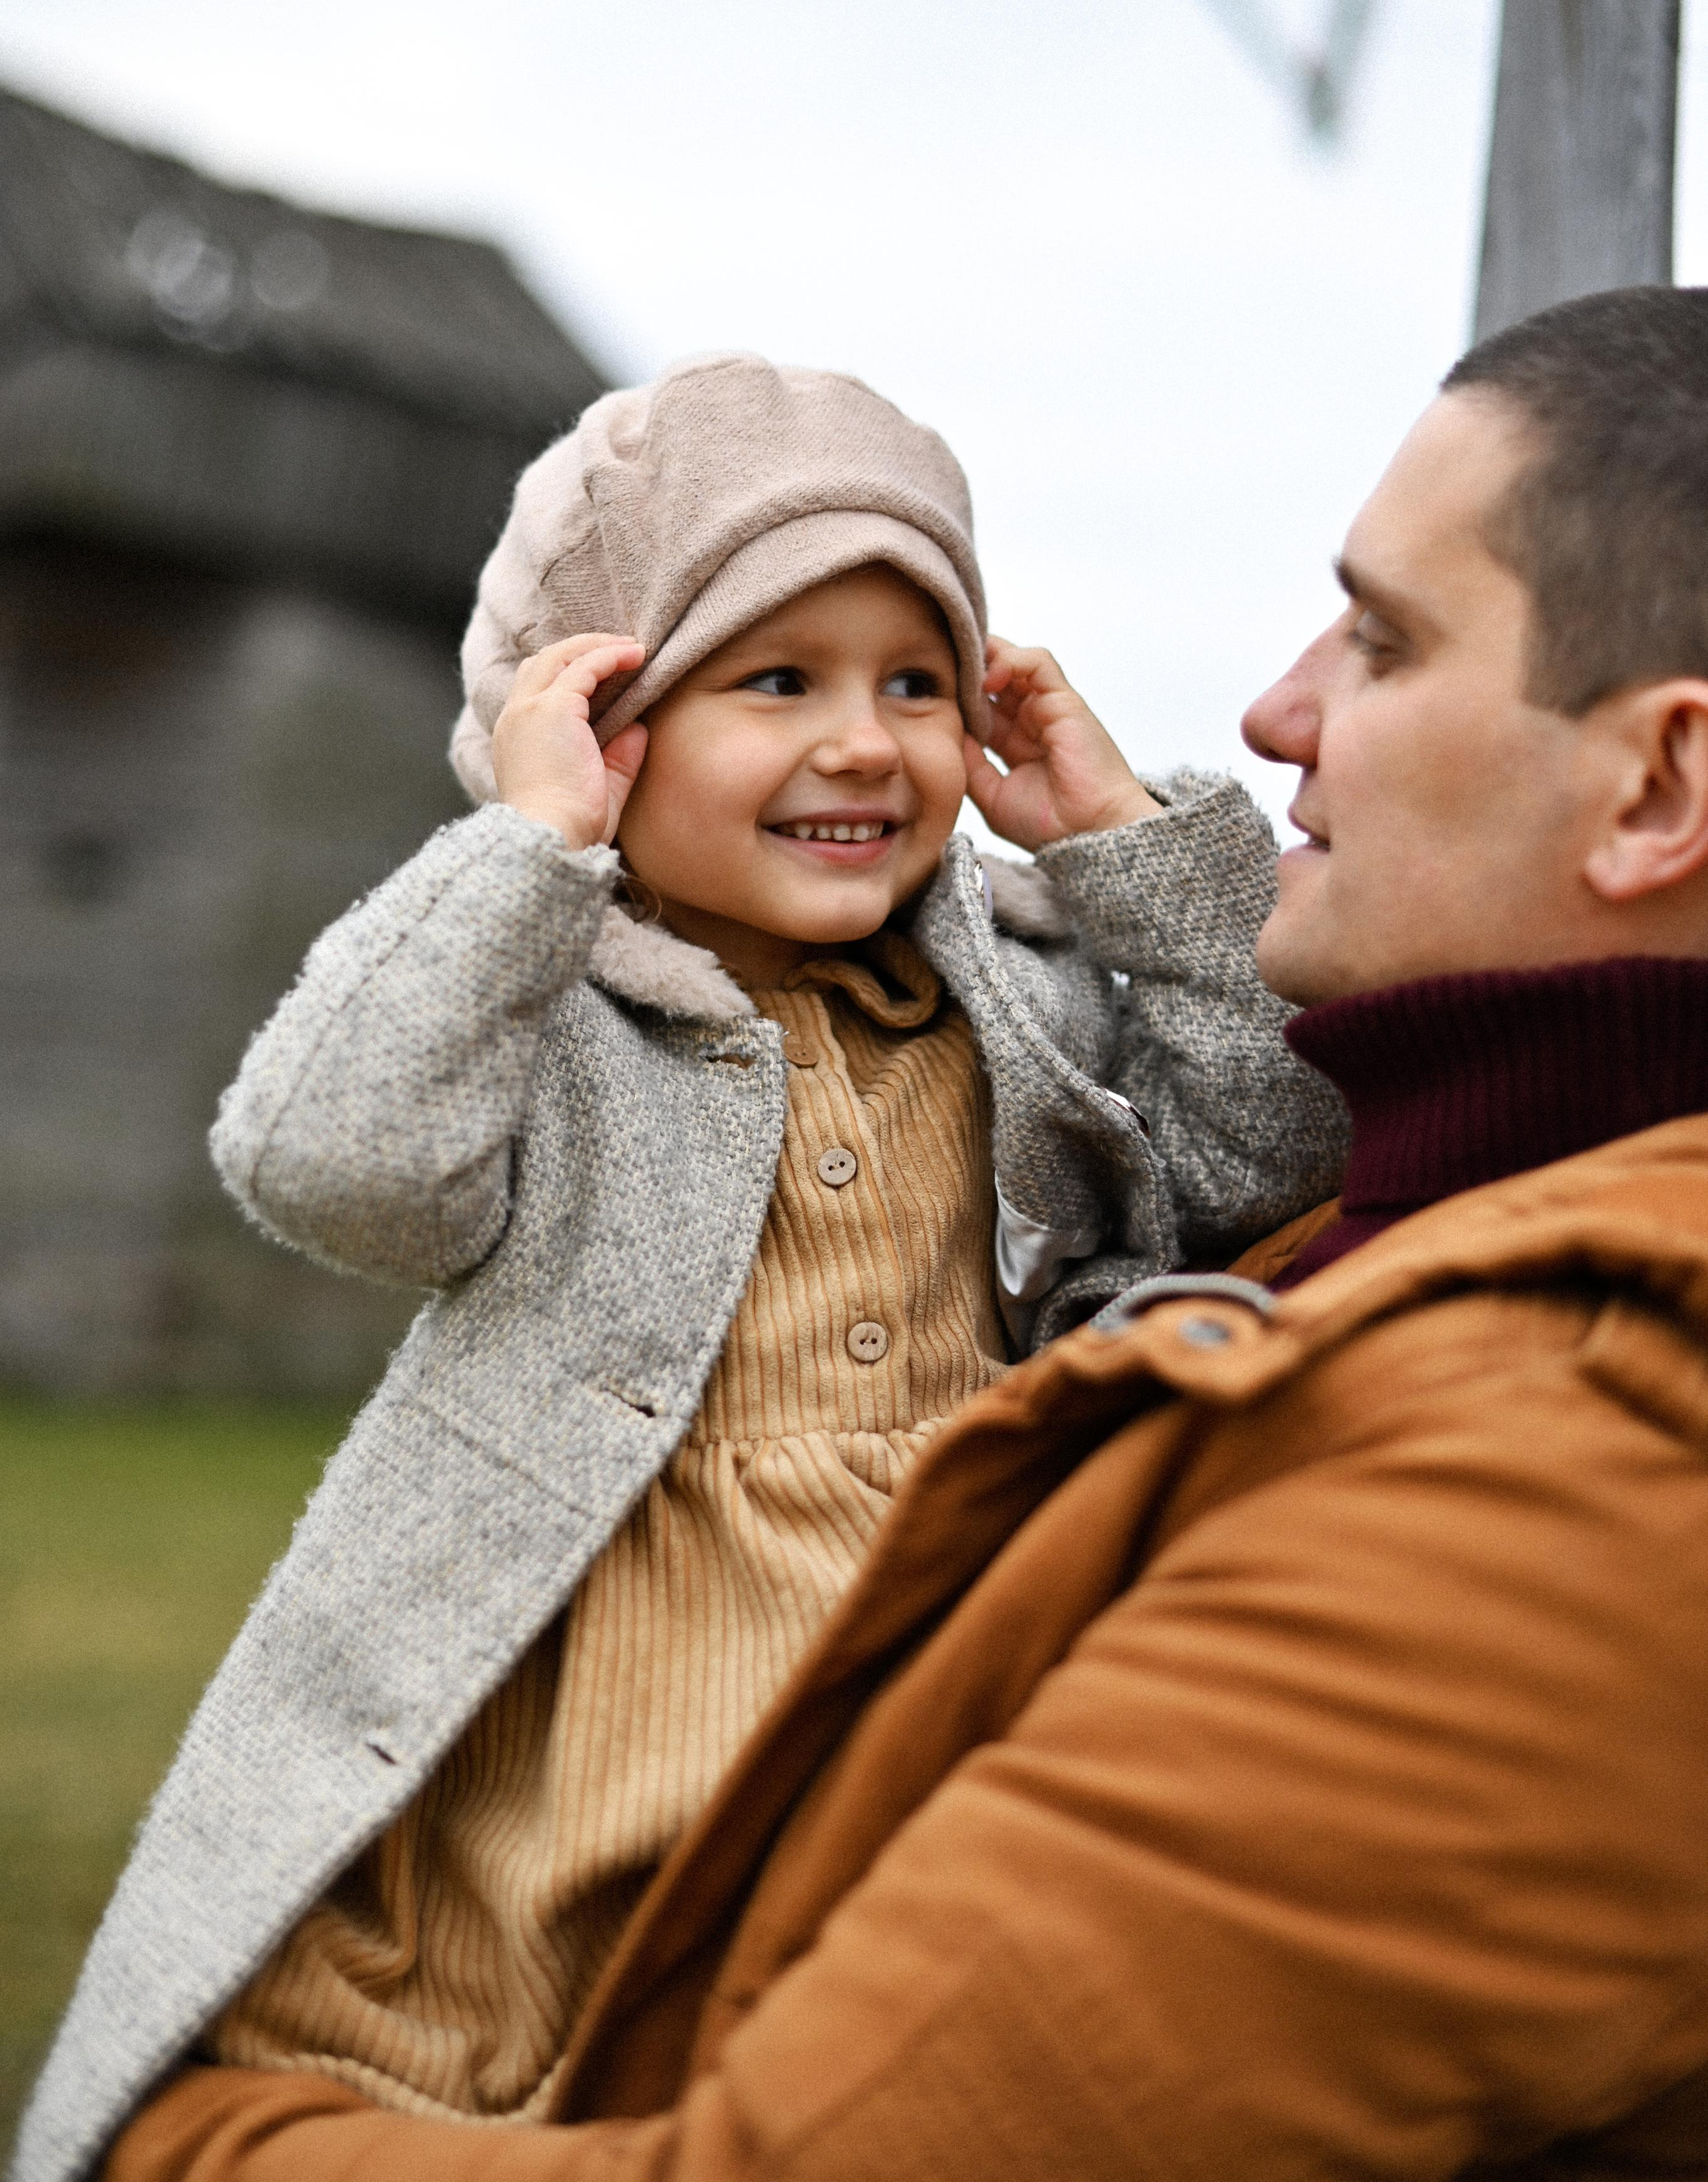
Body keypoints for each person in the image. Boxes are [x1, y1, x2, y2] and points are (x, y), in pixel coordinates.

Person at [82, 278, 1708, 2180]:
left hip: (866, 1694)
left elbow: (1259, 1135)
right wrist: (525, 861)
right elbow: (337, 1164)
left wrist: (1123, 859)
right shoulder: (561, 1005)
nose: (863, 743)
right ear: (603, 715)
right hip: (607, 1677)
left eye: (914, 683)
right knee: (501, 1997)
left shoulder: (1025, 1008)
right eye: (776, 681)